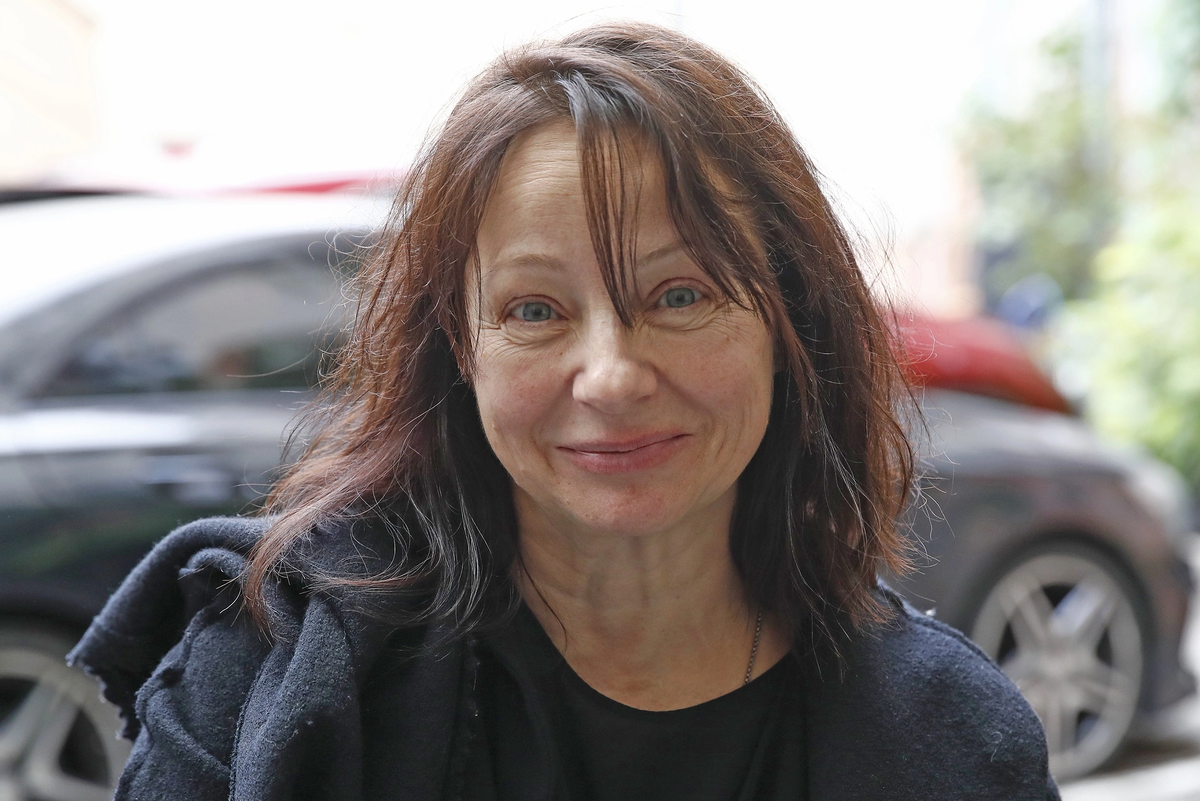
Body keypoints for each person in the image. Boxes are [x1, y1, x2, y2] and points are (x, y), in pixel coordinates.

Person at [71, 22, 1060, 801]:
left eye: (679, 295)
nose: (612, 377)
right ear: (461, 350)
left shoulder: (953, 738)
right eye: (535, 310)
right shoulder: (271, 672)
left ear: (786, 322)